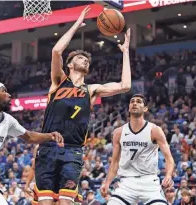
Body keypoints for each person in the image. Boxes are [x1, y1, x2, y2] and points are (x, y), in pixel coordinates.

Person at [35, 5, 131, 205]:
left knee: (65, 202)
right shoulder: (58, 81)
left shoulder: (91, 90)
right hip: (47, 148)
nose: (85, 61)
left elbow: (125, 86)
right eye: (81, 58)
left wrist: (125, 52)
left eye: (87, 60)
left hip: (73, 150)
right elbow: (56, 51)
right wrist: (77, 24)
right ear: (70, 65)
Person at [100, 94, 175, 205]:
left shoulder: (155, 130)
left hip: (149, 182)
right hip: (127, 182)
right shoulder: (118, 132)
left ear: (145, 108)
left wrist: (168, 175)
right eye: (132, 101)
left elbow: (169, 159)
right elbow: (115, 162)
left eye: (139, 101)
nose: (134, 103)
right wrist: (107, 183)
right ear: (129, 107)